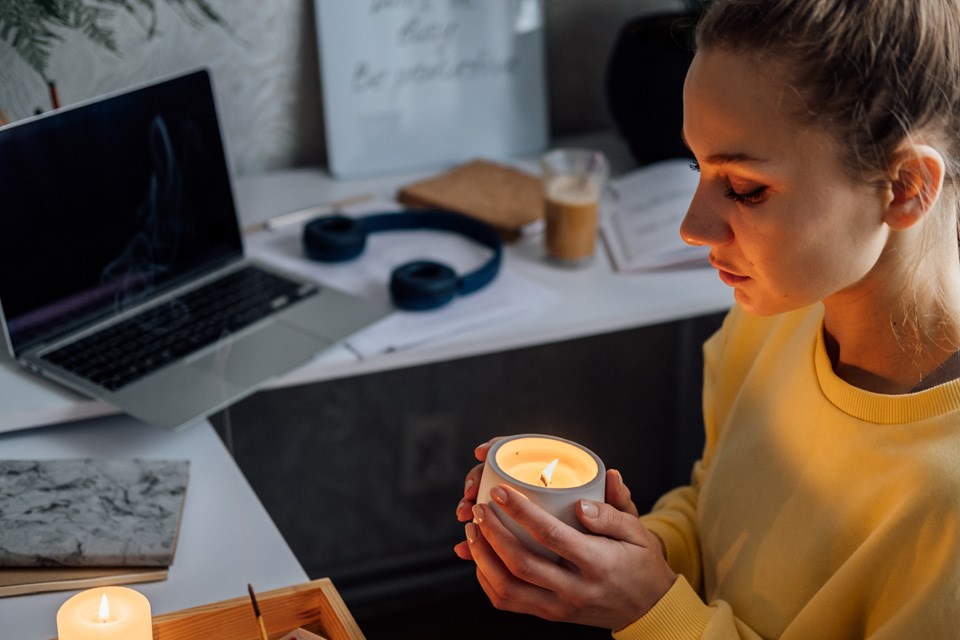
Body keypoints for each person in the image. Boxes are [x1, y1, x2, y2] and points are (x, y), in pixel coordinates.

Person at [454, 0, 960, 636]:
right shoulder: (770, 321)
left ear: (907, 186)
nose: (691, 228)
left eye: (745, 188)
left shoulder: (946, 501)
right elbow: (715, 521)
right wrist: (617, 554)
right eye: (698, 166)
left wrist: (652, 610)